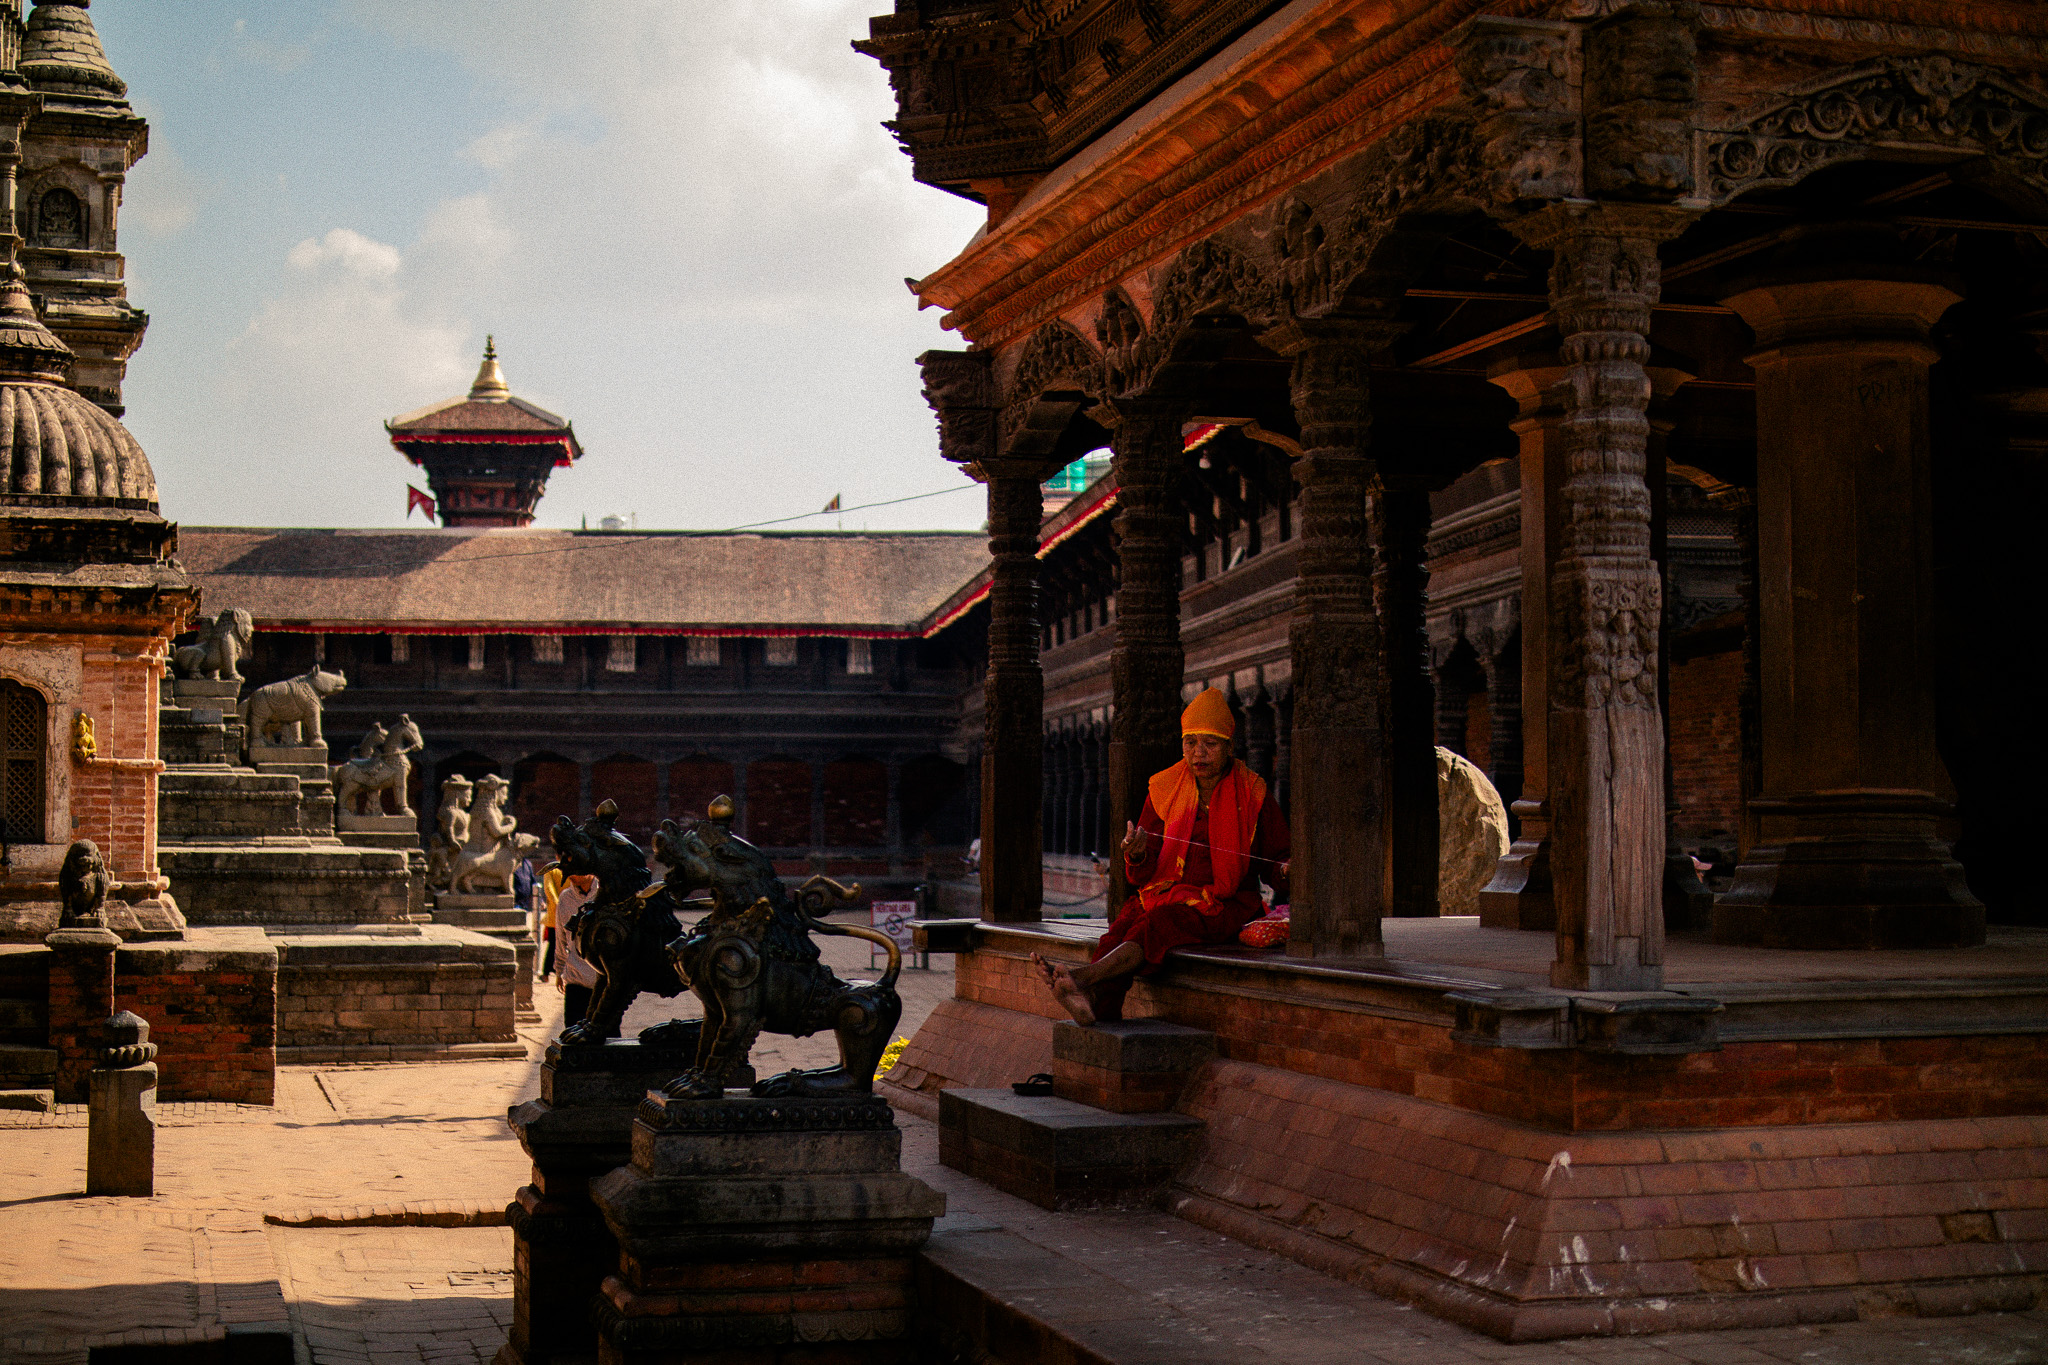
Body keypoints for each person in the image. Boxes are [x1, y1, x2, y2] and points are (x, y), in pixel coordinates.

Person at [1034, 688, 1288, 1024]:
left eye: (1210, 743)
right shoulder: (1165, 787)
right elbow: (1140, 876)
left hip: (1225, 904)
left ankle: (1083, 978)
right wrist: (1136, 856)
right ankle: (1097, 1004)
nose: (1199, 753)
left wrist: (1288, 869)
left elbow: (1277, 859)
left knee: (1157, 925)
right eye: (1190, 742)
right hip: (1164, 892)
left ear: (1229, 746)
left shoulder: (1253, 792)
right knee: (1122, 926)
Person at [552, 866, 601, 1026]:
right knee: (572, 1039)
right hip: (575, 981)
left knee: (607, 1041)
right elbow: (561, 938)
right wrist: (559, 970)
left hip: (603, 984)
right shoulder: (565, 899)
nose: (570, 874)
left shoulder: (606, 895)